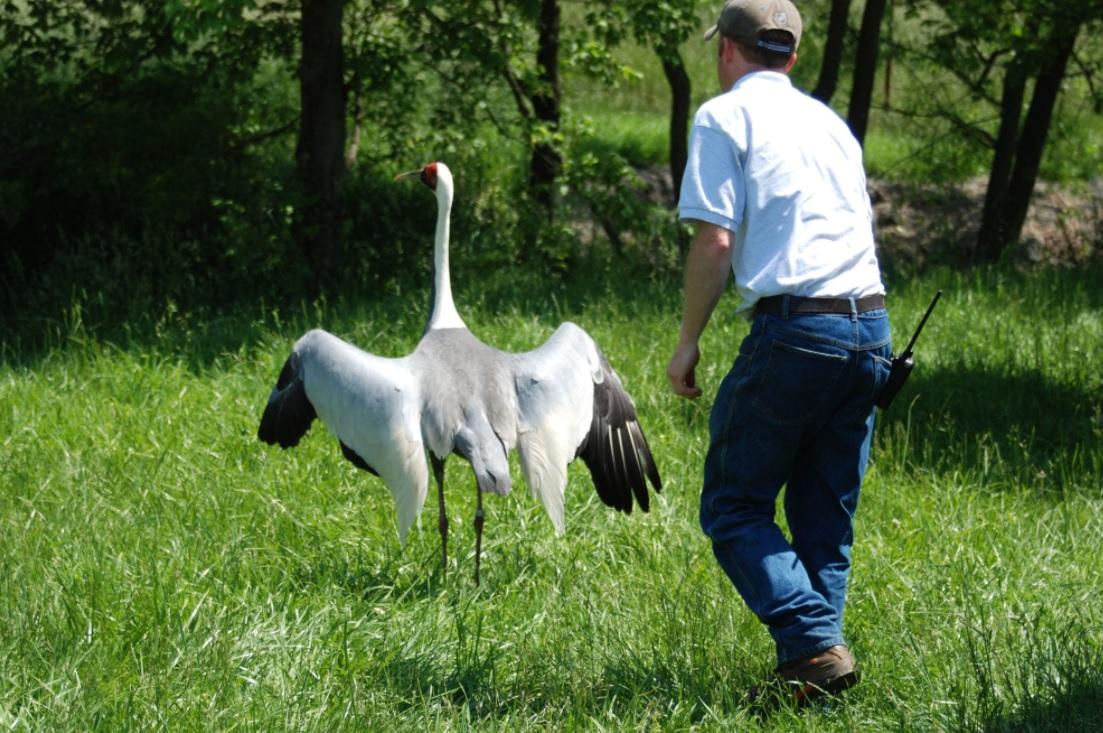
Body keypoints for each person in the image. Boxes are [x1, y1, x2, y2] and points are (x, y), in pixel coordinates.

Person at [665, 0, 892, 706]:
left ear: (725, 51)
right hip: (871, 326)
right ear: (790, 56)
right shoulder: (830, 124)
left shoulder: (723, 115)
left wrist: (686, 343)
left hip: (796, 330)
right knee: (824, 513)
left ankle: (810, 640)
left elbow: (716, 240)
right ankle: (814, 679)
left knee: (733, 504)